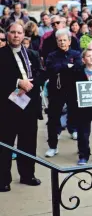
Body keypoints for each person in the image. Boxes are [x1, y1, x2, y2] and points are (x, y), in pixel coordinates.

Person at [0, 23, 44, 192]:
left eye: (19, 33)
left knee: (28, 143)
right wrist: (19, 83)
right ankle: (3, 179)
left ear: (24, 35)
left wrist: (32, 84)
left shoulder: (32, 54)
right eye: (13, 32)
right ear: (8, 34)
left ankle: (27, 175)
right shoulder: (2, 54)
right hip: (8, 108)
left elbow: (41, 73)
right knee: (6, 144)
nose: (16, 35)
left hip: (29, 107)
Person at [44, 29, 83, 157]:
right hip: (56, 90)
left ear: (69, 41)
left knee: (77, 115)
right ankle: (52, 146)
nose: (62, 42)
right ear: (56, 41)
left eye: (64, 40)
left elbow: (78, 67)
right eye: (60, 40)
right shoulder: (52, 55)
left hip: (73, 90)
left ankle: (81, 146)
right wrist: (66, 66)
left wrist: (62, 67)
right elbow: (52, 69)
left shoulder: (76, 54)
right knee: (53, 118)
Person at [68, 49, 92, 165]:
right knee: (83, 134)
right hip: (83, 109)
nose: (91, 58)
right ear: (83, 60)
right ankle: (83, 156)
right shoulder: (77, 73)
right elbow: (72, 91)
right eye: (88, 56)